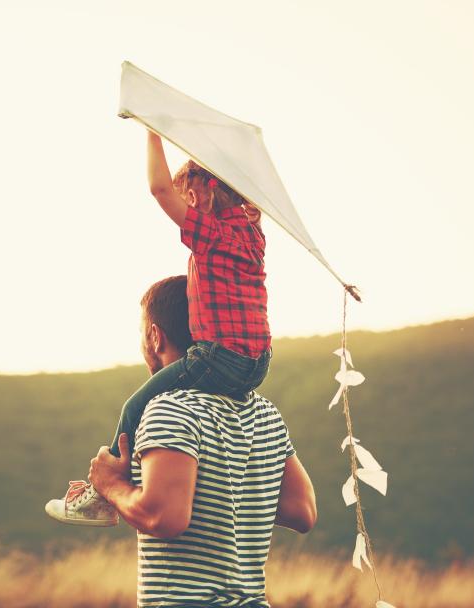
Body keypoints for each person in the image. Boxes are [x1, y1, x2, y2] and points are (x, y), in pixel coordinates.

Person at [46, 130, 273, 524]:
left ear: (204, 194)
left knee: (135, 406)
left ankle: (103, 494)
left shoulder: (213, 234)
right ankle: (161, 474)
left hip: (219, 357)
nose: (184, 203)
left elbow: (158, 189)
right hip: (259, 363)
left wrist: (153, 131)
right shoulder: (253, 236)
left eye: (189, 196)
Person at [47, 275, 317, 607]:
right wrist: (224, 491)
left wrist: (111, 486)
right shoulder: (265, 413)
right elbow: (302, 511)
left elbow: (165, 518)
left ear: (154, 336)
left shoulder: (170, 407)